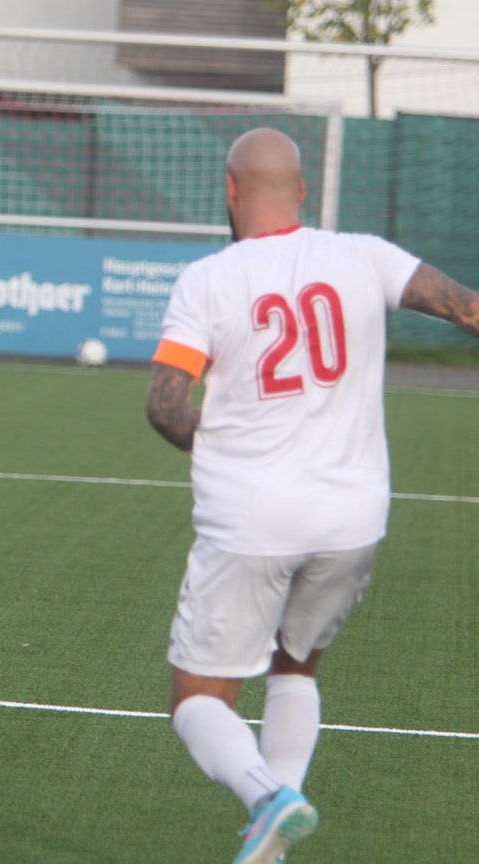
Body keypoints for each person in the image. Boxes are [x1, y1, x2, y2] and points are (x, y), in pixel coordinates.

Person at [145, 127, 479, 864]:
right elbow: (467, 308)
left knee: (197, 699)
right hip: (352, 520)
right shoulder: (365, 255)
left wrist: (230, 441)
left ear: (230, 190)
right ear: (300, 190)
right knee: (295, 665)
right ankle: (274, 839)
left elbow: (166, 408)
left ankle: (269, 799)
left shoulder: (208, 279)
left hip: (254, 518)